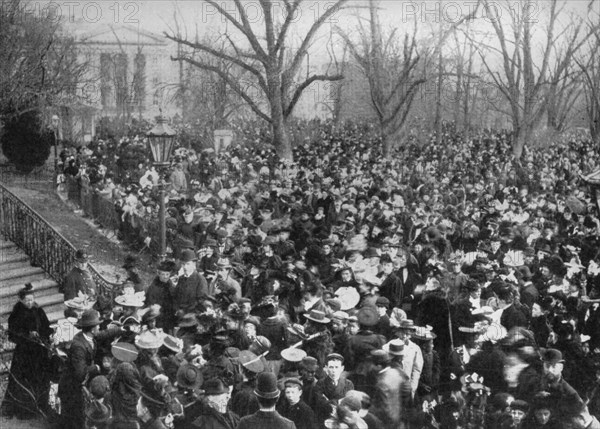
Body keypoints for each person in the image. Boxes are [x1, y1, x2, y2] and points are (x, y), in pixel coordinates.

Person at [1, 283, 53, 419]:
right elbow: (13, 333)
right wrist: (27, 335)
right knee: (24, 380)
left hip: (39, 352)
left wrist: (46, 334)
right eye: (27, 301)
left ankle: (41, 404)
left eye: (32, 299)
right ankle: (25, 410)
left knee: (40, 378)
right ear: (21, 300)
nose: (30, 303)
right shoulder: (16, 314)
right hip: (25, 354)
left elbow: (46, 326)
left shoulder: (38, 310)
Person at [173, 249, 209, 317]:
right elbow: (176, 297)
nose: (185, 267)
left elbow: (201, 301)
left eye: (188, 264)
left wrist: (185, 311)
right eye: (183, 264)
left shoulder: (200, 279)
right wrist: (176, 309)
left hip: (193, 314)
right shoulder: (181, 279)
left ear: (194, 264)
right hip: (179, 312)